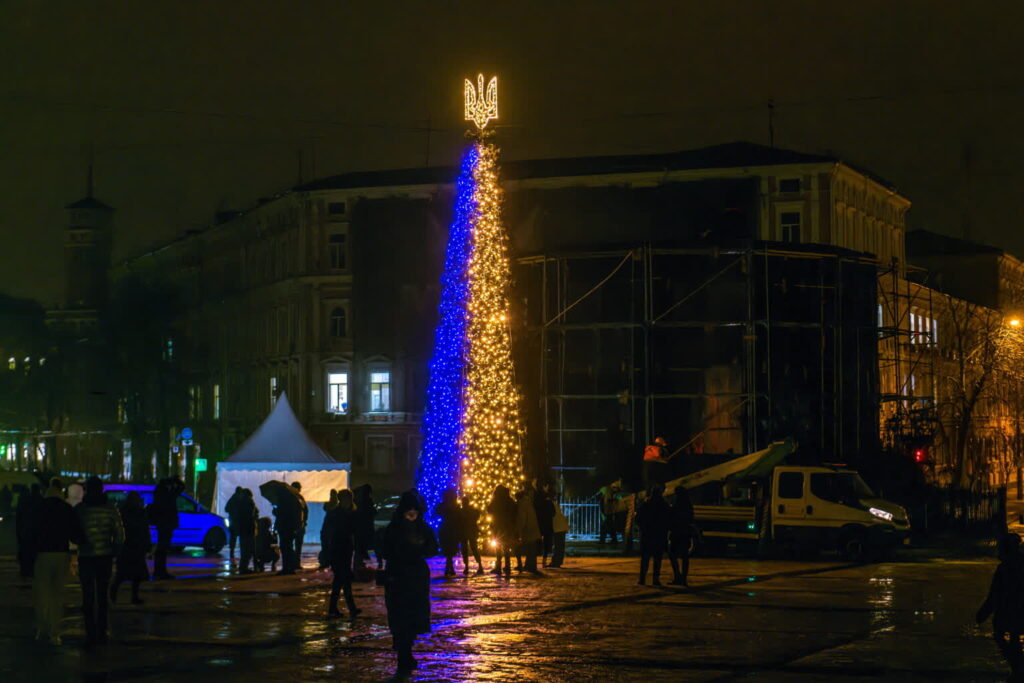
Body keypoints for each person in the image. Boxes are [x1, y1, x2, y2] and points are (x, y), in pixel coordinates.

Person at [380, 490, 438, 677]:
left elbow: (432, 548)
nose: (412, 513)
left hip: (414, 577)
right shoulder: (395, 528)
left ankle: (406, 652)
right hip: (399, 577)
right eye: (409, 510)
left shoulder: (422, 528)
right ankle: (403, 654)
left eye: (415, 510)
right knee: (400, 617)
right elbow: (385, 549)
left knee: (411, 617)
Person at [76, 477, 124, 648]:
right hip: (104, 556)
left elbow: (74, 532)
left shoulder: (81, 509)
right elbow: (119, 535)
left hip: (86, 556)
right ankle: (102, 631)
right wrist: (114, 551)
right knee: (102, 596)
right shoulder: (111, 509)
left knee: (87, 597)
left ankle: (90, 634)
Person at [33, 478, 82, 645]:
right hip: (61, 554)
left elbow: (30, 532)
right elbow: (74, 533)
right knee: (57, 594)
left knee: (42, 594)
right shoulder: (66, 508)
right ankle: (55, 632)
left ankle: (42, 629)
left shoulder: (39, 508)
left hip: (42, 554)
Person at [977, 533, 1024, 681]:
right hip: (1016, 610)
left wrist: (983, 613)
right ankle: (1019, 667)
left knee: (1000, 635)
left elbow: (995, 593)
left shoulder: (1005, 568)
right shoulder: (1016, 564)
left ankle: (1018, 667)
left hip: (1010, 610)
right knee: (1013, 637)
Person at [324, 488, 361, 619]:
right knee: (342, 579)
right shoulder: (337, 514)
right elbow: (328, 533)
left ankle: (337, 608)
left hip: (345, 550)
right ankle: (347, 608)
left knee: (342, 580)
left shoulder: (348, 513)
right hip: (338, 550)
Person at [110, 490, 150, 605]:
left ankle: (115, 592)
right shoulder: (140, 513)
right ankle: (133, 596)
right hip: (135, 547)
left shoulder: (122, 512)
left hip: (126, 547)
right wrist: (147, 545)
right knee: (134, 574)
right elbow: (144, 530)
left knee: (123, 573)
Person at [636, 483, 671, 586]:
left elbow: (638, 519)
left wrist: (643, 528)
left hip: (647, 535)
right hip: (659, 535)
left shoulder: (645, 504)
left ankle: (642, 579)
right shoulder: (663, 505)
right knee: (657, 559)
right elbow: (668, 519)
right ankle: (655, 579)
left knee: (645, 559)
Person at [149, 476, 183, 580]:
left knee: (161, 548)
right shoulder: (168, 495)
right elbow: (181, 488)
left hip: (162, 524)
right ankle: (160, 572)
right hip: (167, 524)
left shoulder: (158, 494)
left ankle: (159, 571)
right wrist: (176, 480)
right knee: (162, 549)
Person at [668, 485, 694, 586]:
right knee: (684, 556)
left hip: (676, 532)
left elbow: (671, 518)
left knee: (672, 554)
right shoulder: (688, 505)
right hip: (685, 532)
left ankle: (677, 576)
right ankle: (683, 578)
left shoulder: (676, 505)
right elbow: (691, 518)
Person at [487, 485, 516, 576]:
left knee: (498, 547)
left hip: (497, 526)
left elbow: (489, 509)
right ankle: (507, 566)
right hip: (507, 526)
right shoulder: (509, 501)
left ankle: (498, 566)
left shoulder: (496, 501)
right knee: (506, 547)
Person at [16, 483, 43, 578]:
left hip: (25, 531)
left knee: (25, 553)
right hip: (36, 532)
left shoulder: (24, 501)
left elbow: (19, 517)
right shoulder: (41, 501)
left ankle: (25, 571)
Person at [516, 484, 542, 574]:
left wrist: (519, 530)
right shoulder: (528, 502)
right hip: (533, 528)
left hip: (529, 530)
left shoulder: (523, 504)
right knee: (531, 549)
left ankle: (531, 566)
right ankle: (529, 565)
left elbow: (522, 519)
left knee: (530, 549)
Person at [436, 489, 462, 577]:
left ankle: (449, 568)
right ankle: (450, 568)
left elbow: (437, 511)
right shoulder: (455, 506)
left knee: (448, 550)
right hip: (452, 529)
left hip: (446, 529)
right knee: (450, 550)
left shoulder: (443, 506)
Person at [459, 493, 485, 575]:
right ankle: (479, 566)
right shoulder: (473, 511)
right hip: (471, 531)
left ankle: (467, 567)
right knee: (474, 548)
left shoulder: (461, 511)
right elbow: (477, 516)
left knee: (465, 550)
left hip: (464, 532)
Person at [353, 484, 378, 569]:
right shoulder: (368, 501)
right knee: (370, 546)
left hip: (360, 528)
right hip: (368, 528)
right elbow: (373, 512)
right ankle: (374, 562)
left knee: (360, 548)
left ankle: (359, 565)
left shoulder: (359, 501)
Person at [235, 489, 258, 573]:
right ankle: (244, 568)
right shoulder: (249, 502)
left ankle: (243, 567)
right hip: (249, 528)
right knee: (248, 549)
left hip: (242, 529)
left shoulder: (240, 502)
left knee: (244, 549)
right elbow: (251, 515)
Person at [534, 480, 555, 568]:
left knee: (538, 541)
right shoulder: (549, 502)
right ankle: (544, 558)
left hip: (540, 523)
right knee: (546, 542)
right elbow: (553, 513)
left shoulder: (539, 502)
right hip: (547, 524)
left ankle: (535, 558)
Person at [224, 486, 246, 563]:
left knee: (233, 537)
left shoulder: (232, 499)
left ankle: (232, 551)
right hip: (239, 521)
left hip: (232, 520)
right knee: (241, 536)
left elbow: (226, 509)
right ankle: (241, 552)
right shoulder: (240, 500)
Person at [319, 489, 339, 569]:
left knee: (326, 546)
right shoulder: (335, 505)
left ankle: (326, 562)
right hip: (330, 528)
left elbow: (326, 508)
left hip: (329, 528)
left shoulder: (332, 505)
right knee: (328, 546)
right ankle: (328, 562)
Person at [597, 480, 621, 545]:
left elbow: (605, 503)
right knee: (609, 527)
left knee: (605, 527)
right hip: (608, 512)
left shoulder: (607, 492)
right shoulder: (608, 492)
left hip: (607, 512)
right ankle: (612, 540)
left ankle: (605, 540)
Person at [291, 481, 308, 569]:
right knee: (298, 546)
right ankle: (296, 563)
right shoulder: (300, 498)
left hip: (292, 526)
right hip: (299, 525)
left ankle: (292, 563)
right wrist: (304, 521)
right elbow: (305, 511)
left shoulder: (288, 498)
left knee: (290, 546)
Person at [549, 494, 569, 569]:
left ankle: (556, 562)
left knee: (557, 545)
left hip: (558, 527)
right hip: (560, 526)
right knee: (559, 545)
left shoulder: (551, 505)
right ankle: (557, 561)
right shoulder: (555, 504)